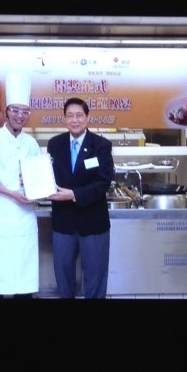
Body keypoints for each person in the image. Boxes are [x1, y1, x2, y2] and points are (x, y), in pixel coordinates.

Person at [0, 73, 41, 297]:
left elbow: (36, 177)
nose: (20, 116)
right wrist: (13, 194)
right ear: (7, 111)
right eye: (15, 110)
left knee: (24, 280)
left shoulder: (31, 143)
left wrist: (36, 189)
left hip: (24, 217)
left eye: (25, 111)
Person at [47, 97, 115, 299]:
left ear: (87, 118)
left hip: (93, 222)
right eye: (70, 115)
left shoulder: (101, 145)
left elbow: (104, 182)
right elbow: (49, 177)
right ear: (64, 119)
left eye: (79, 115)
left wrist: (74, 194)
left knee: (95, 278)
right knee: (63, 276)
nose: (74, 120)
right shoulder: (55, 144)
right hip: (63, 222)